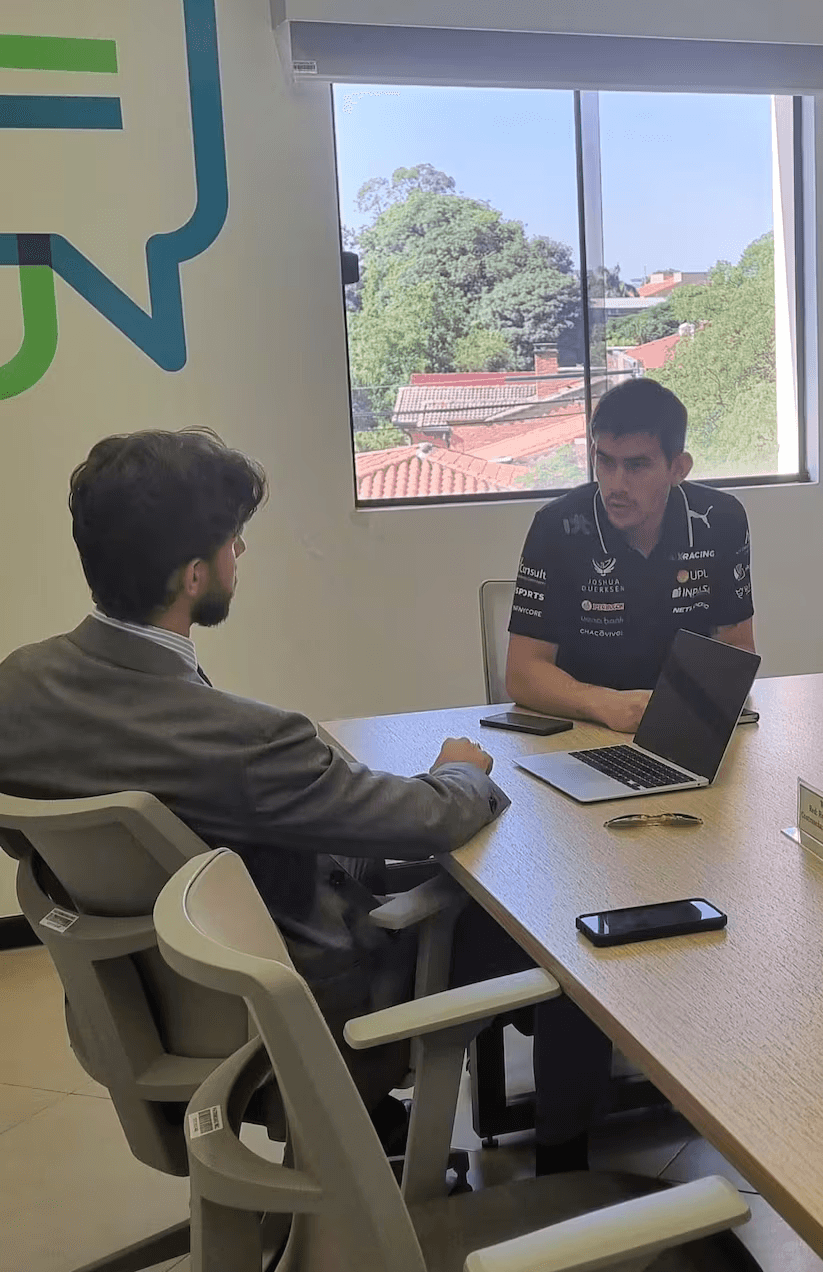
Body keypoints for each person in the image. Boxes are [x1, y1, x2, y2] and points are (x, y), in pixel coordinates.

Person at [0, 428, 602, 1167]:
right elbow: (431, 819)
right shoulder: (247, 740)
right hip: (295, 1012)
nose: (241, 551)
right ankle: (571, 1161)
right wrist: (460, 771)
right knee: (553, 917)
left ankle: (374, 1133)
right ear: (194, 575)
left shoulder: (15, 690)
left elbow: (29, 836)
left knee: (397, 873)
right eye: (232, 539)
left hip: (133, 1010)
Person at [506, 378, 756, 730]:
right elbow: (521, 673)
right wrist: (604, 705)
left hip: (685, 726)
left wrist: (680, 720)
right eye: (605, 462)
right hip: (583, 725)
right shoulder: (556, 526)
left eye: (637, 466)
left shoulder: (722, 520)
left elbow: (736, 650)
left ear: (678, 469)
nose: (616, 485)